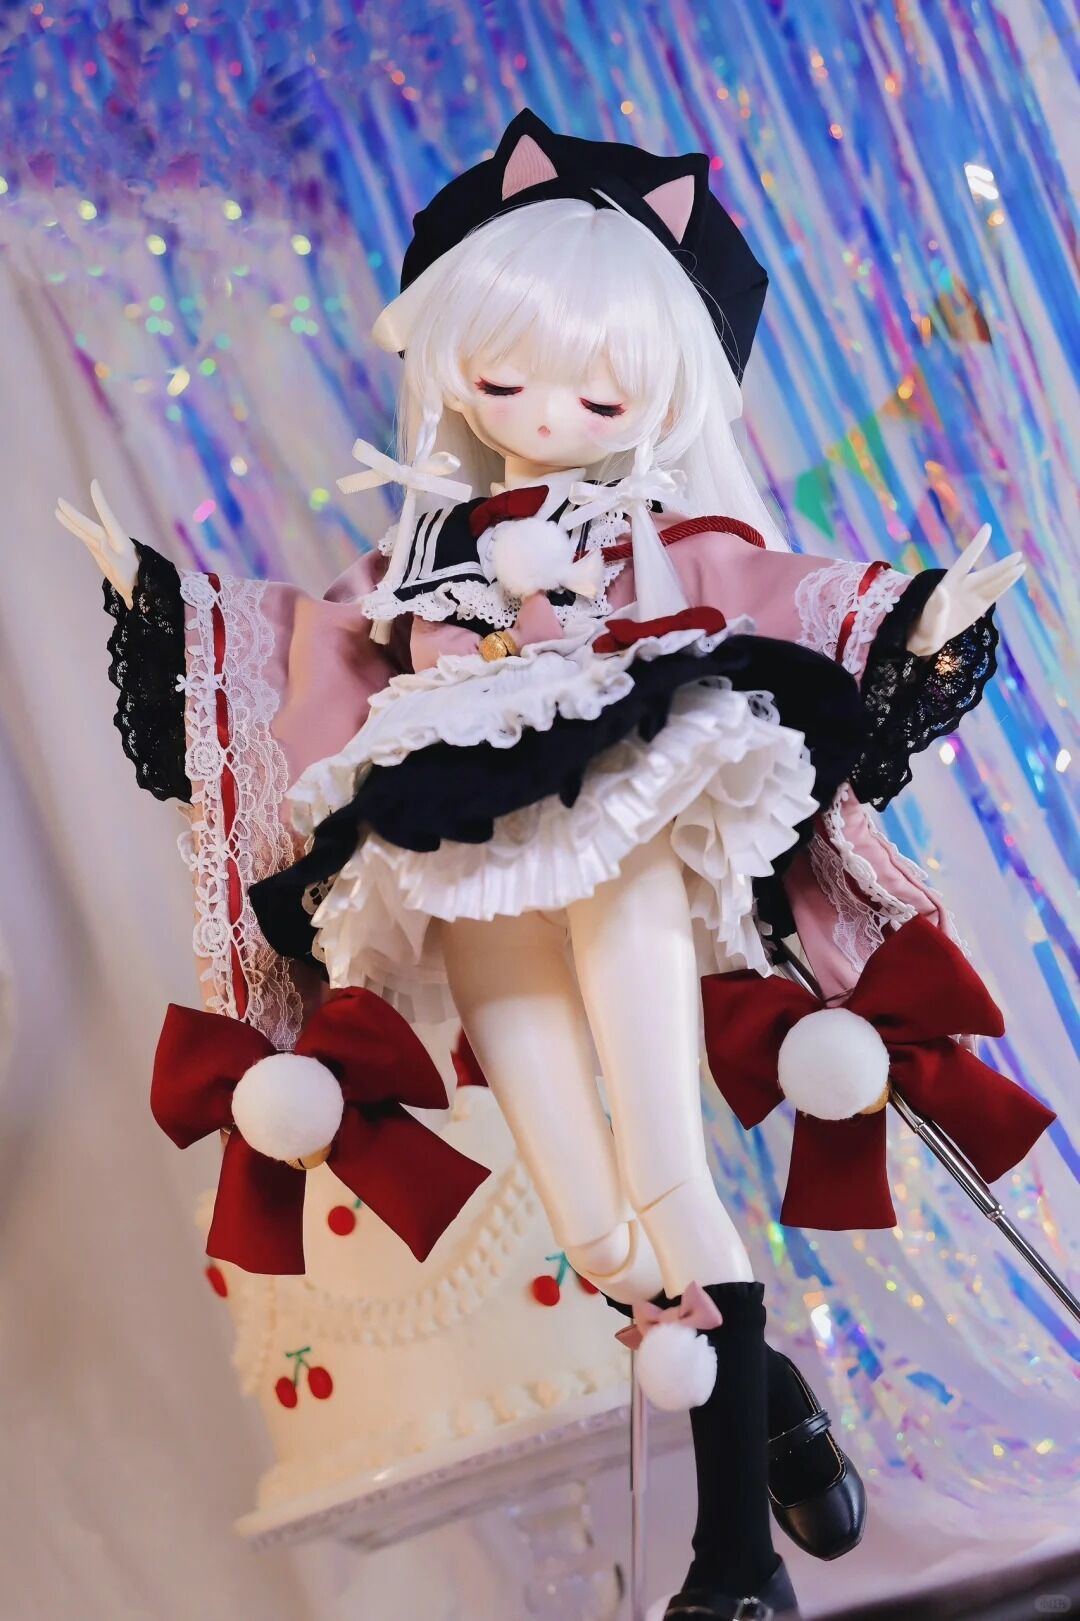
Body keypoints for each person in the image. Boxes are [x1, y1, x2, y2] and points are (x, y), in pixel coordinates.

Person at [57, 111, 1024, 1619]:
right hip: (461, 851)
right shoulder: (424, 549)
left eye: (596, 390)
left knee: (665, 1166)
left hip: (622, 825)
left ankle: (736, 1561)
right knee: (589, 1218)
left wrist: (913, 619)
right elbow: (313, 646)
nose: (546, 413)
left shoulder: (656, 535)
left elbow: (772, 590)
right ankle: (761, 1388)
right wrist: (166, 609)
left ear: (663, 392)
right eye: (504, 378)